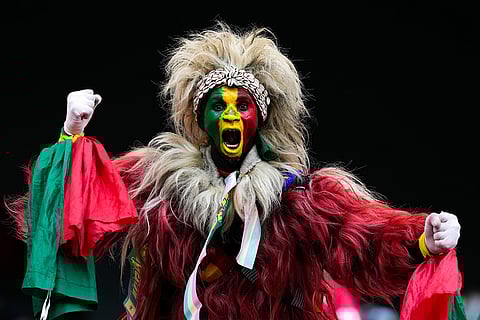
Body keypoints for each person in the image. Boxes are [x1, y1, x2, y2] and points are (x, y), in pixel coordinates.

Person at [9, 23, 463, 320]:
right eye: (217, 106)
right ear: (199, 117)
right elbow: (74, 214)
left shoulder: (301, 197)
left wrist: (422, 237)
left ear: (261, 118)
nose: (229, 117)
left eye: (241, 106)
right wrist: (71, 137)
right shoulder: (158, 186)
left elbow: (362, 239)